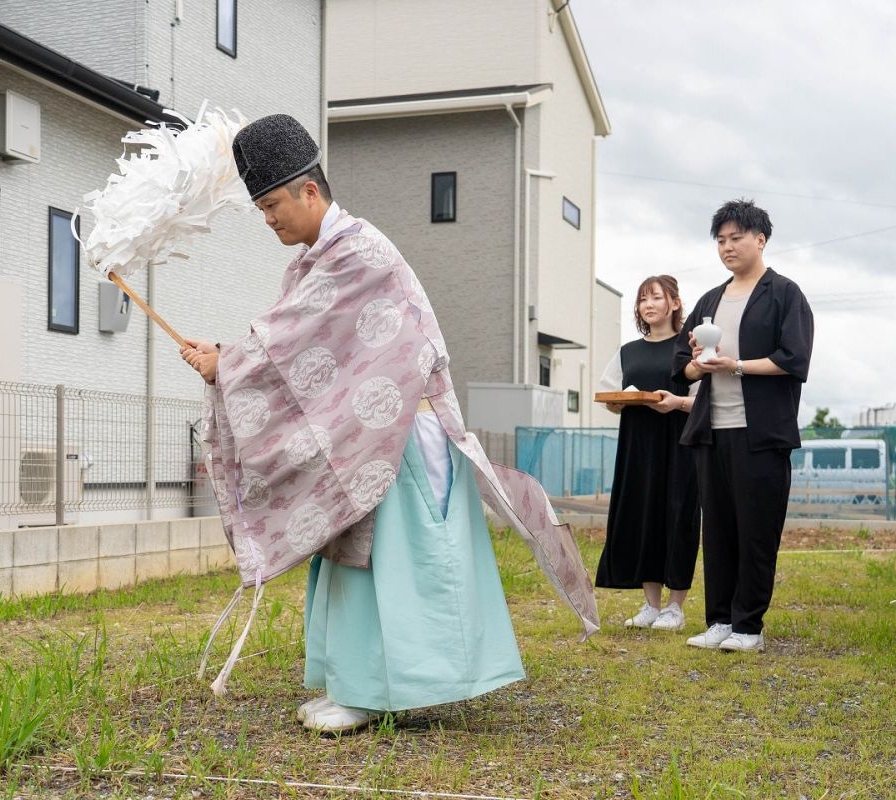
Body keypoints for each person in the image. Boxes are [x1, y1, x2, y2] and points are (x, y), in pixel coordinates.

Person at [180, 114, 597, 733]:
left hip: (398, 431)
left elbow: (292, 342)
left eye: (272, 205)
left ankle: (377, 691)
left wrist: (230, 363)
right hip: (367, 434)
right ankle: (354, 682)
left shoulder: (358, 251)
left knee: (393, 562)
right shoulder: (317, 259)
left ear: (310, 190)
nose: (269, 219)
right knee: (355, 558)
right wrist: (230, 360)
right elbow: (296, 341)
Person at [672, 199, 814, 654]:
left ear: (760, 239)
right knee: (716, 529)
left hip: (761, 435)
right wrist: (698, 365)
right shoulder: (710, 300)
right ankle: (718, 620)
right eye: (720, 240)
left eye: (736, 238)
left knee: (756, 530)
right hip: (711, 432)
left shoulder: (785, 294)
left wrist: (735, 367)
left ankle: (748, 625)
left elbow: (794, 359)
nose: (727, 247)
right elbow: (682, 366)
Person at [595, 275, 700, 632]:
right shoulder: (628, 351)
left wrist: (676, 404)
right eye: (642, 299)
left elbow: (706, 400)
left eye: (656, 297)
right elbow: (610, 397)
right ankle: (651, 605)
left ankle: (675, 607)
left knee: (678, 518)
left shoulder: (688, 348)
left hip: (681, 444)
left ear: (674, 302)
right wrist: (625, 402)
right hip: (637, 447)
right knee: (643, 516)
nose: (648, 305)